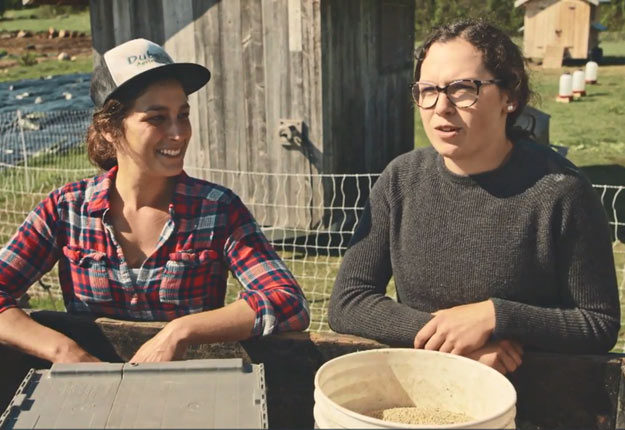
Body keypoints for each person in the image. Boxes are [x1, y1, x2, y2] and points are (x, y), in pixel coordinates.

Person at [328, 19, 620, 374]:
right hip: (423, 392)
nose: (441, 106)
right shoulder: (400, 179)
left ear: (509, 96)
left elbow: (596, 324)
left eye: (463, 88)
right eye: (428, 89)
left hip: (533, 407)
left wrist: (495, 316)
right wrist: (450, 343)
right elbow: (348, 302)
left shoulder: (560, 191)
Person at [0, 38, 309, 363]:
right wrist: (65, 351)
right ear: (109, 129)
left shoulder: (218, 209)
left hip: (188, 398)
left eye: (183, 115)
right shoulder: (67, 209)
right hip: (92, 397)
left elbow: (287, 301)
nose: (179, 133)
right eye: (157, 118)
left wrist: (181, 331)